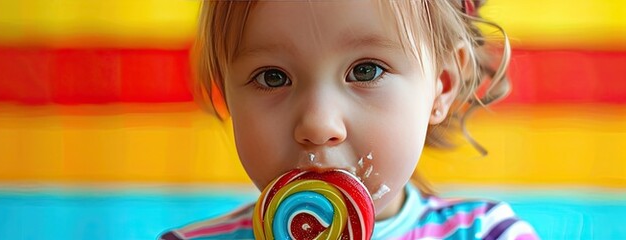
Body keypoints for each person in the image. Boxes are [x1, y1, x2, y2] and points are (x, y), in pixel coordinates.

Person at [161, 0, 539, 239]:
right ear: (225, 93)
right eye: (272, 77)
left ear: (441, 87)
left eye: (366, 71)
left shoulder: (491, 234)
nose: (318, 125)